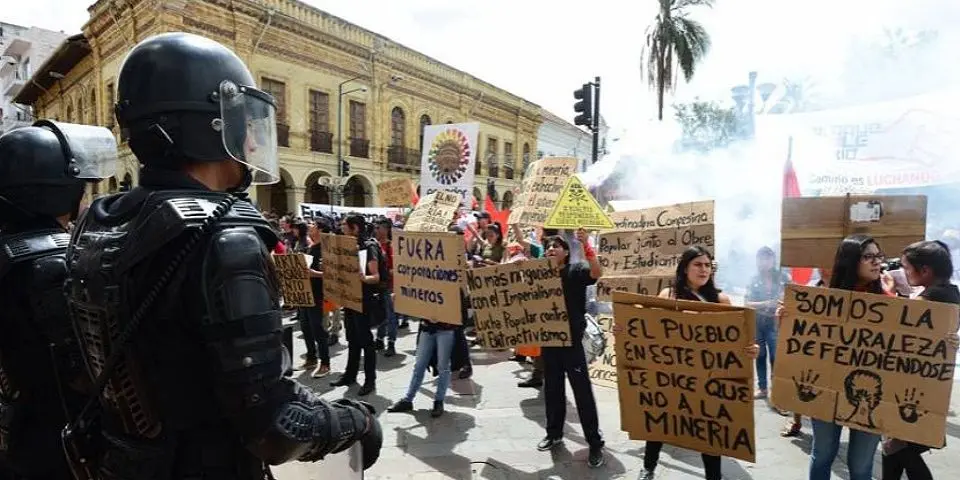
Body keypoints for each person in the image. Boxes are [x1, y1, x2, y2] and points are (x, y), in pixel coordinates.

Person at [63, 32, 381, 479]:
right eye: (243, 122)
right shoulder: (224, 235)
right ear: (210, 124)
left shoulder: (98, 221)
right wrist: (357, 420)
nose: (251, 140)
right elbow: (275, 428)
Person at [0, 121, 117, 479]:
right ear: (54, 191)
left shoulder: (8, 252)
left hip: (17, 426)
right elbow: (86, 373)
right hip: (59, 445)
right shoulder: (54, 263)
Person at [635, 246, 760, 480]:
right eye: (698, 264)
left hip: (707, 380)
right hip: (671, 376)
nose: (704, 269)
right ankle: (648, 467)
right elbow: (645, 329)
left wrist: (750, 350)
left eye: (708, 265)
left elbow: (735, 342)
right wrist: (623, 330)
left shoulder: (721, 301)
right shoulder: (667, 296)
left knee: (710, 430)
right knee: (660, 422)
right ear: (684, 268)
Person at [777, 234, 889, 480]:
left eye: (878, 256)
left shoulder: (890, 303)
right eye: (868, 256)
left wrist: (945, 342)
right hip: (827, 390)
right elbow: (800, 345)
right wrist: (787, 320)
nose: (876, 262)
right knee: (823, 455)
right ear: (851, 261)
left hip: (869, 394)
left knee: (860, 466)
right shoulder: (822, 301)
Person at [881, 240, 960, 480]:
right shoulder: (951, 291)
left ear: (925, 271)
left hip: (915, 390)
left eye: (906, 267)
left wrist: (889, 292)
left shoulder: (933, 298)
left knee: (896, 448)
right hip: (923, 387)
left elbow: (899, 317)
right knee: (893, 450)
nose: (903, 273)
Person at [536, 228, 606, 468]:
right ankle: (554, 433)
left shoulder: (575, 270)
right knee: (552, 390)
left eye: (556, 246)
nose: (551, 249)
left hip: (572, 343)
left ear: (566, 252)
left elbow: (596, 272)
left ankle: (595, 443)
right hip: (549, 341)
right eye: (548, 247)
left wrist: (587, 245)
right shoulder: (539, 276)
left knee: (582, 393)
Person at [330, 213, 384, 397]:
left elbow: (375, 276)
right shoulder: (346, 246)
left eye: (345, 225)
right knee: (352, 339)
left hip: (364, 300)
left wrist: (363, 278)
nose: (341, 227)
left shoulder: (368, 247)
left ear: (355, 228)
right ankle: (350, 375)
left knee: (366, 341)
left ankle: (370, 380)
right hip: (350, 299)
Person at [744, 246, 791, 399]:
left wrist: (781, 303)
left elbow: (793, 297)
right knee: (760, 355)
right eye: (761, 258)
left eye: (767, 258)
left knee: (776, 357)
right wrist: (766, 303)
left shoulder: (784, 277)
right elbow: (747, 303)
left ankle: (777, 391)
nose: (764, 262)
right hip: (758, 321)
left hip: (776, 322)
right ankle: (763, 388)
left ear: (773, 260)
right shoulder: (753, 279)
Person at [301, 218, 331, 378]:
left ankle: (325, 363)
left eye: (312, 225)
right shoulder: (310, 247)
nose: (309, 227)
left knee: (317, 328)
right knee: (305, 326)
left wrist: (315, 274)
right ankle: (311, 357)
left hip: (318, 294)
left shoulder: (325, 249)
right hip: (306, 292)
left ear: (319, 230)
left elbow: (332, 274)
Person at [373, 218, 398, 357]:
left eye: (379, 228)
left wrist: (385, 272)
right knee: (381, 315)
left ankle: (391, 343)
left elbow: (396, 269)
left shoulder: (391, 247)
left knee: (391, 317)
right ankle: (380, 339)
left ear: (386, 230)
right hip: (378, 287)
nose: (376, 230)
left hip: (389, 287)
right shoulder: (374, 245)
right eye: (375, 228)